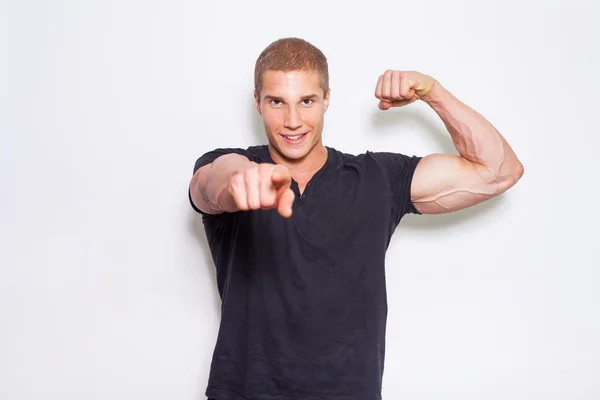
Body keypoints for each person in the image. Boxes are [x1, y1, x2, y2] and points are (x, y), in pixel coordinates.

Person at [188, 37, 523, 400]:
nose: (293, 120)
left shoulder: (377, 178)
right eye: (276, 102)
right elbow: (209, 184)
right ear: (258, 102)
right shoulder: (229, 165)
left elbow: (498, 172)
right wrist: (240, 180)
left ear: (327, 99)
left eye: (307, 101)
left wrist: (434, 92)